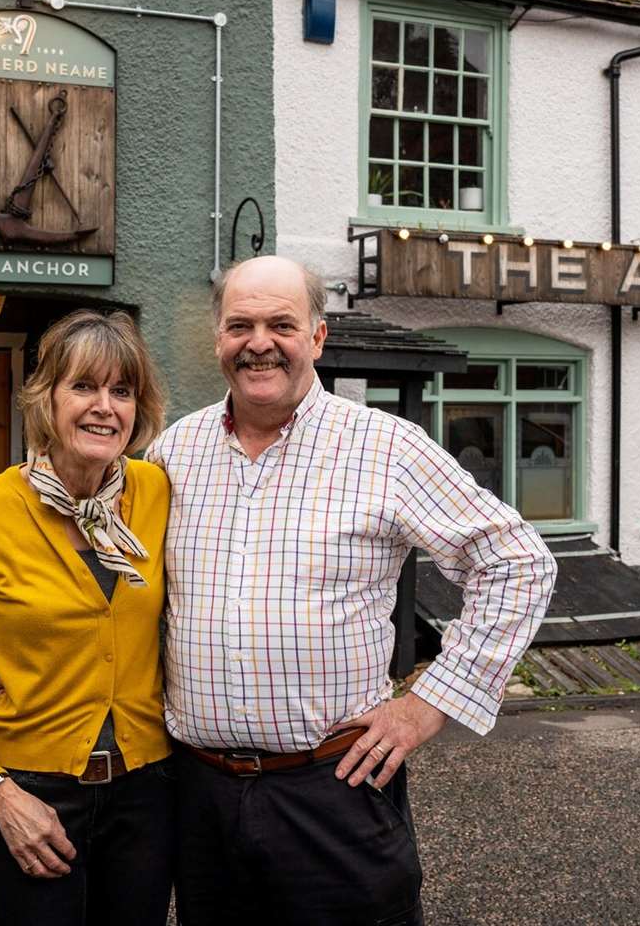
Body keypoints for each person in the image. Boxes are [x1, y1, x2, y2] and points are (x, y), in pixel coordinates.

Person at [154, 255, 557, 924]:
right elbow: (129, 586)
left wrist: (427, 706)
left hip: (334, 791)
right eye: (240, 325)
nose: (259, 343)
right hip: (200, 798)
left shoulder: (387, 448)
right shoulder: (174, 451)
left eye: (281, 324)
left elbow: (516, 564)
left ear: (317, 337)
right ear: (217, 338)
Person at [0, 308, 175, 926]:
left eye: (121, 391)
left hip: (147, 792)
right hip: (36, 792)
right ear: (44, 399)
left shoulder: (155, 493)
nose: (105, 406)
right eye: (83, 386)